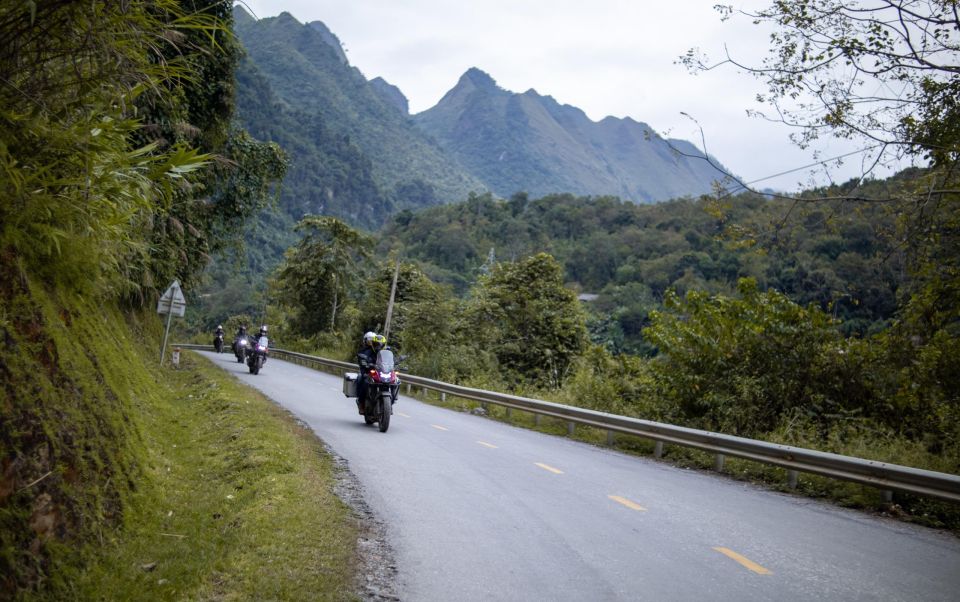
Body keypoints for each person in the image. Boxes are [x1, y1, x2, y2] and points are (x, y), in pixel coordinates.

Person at [355, 331, 378, 413]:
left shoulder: (378, 350)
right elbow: (360, 358)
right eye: (369, 340)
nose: (370, 342)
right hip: (366, 371)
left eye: (372, 341)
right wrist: (366, 363)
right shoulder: (364, 351)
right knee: (364, 381)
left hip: (378, 372)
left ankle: (389, 402)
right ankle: (360, 402)